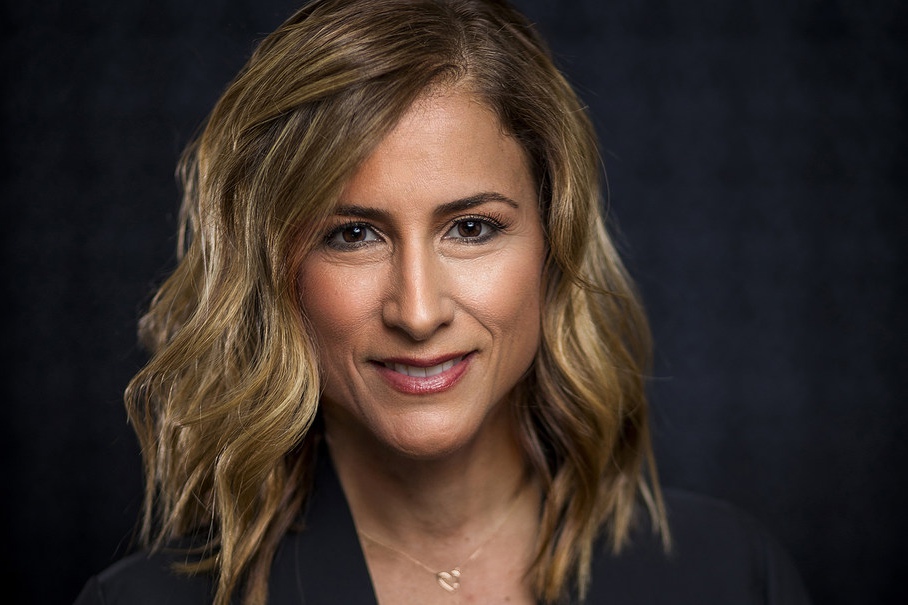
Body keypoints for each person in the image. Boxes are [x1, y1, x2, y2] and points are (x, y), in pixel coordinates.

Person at [75, 1, 811, 603]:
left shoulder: (729, 575)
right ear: (277, 271)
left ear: (553, 245)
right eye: (354, 233)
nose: (419, 311)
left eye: (472, 227)